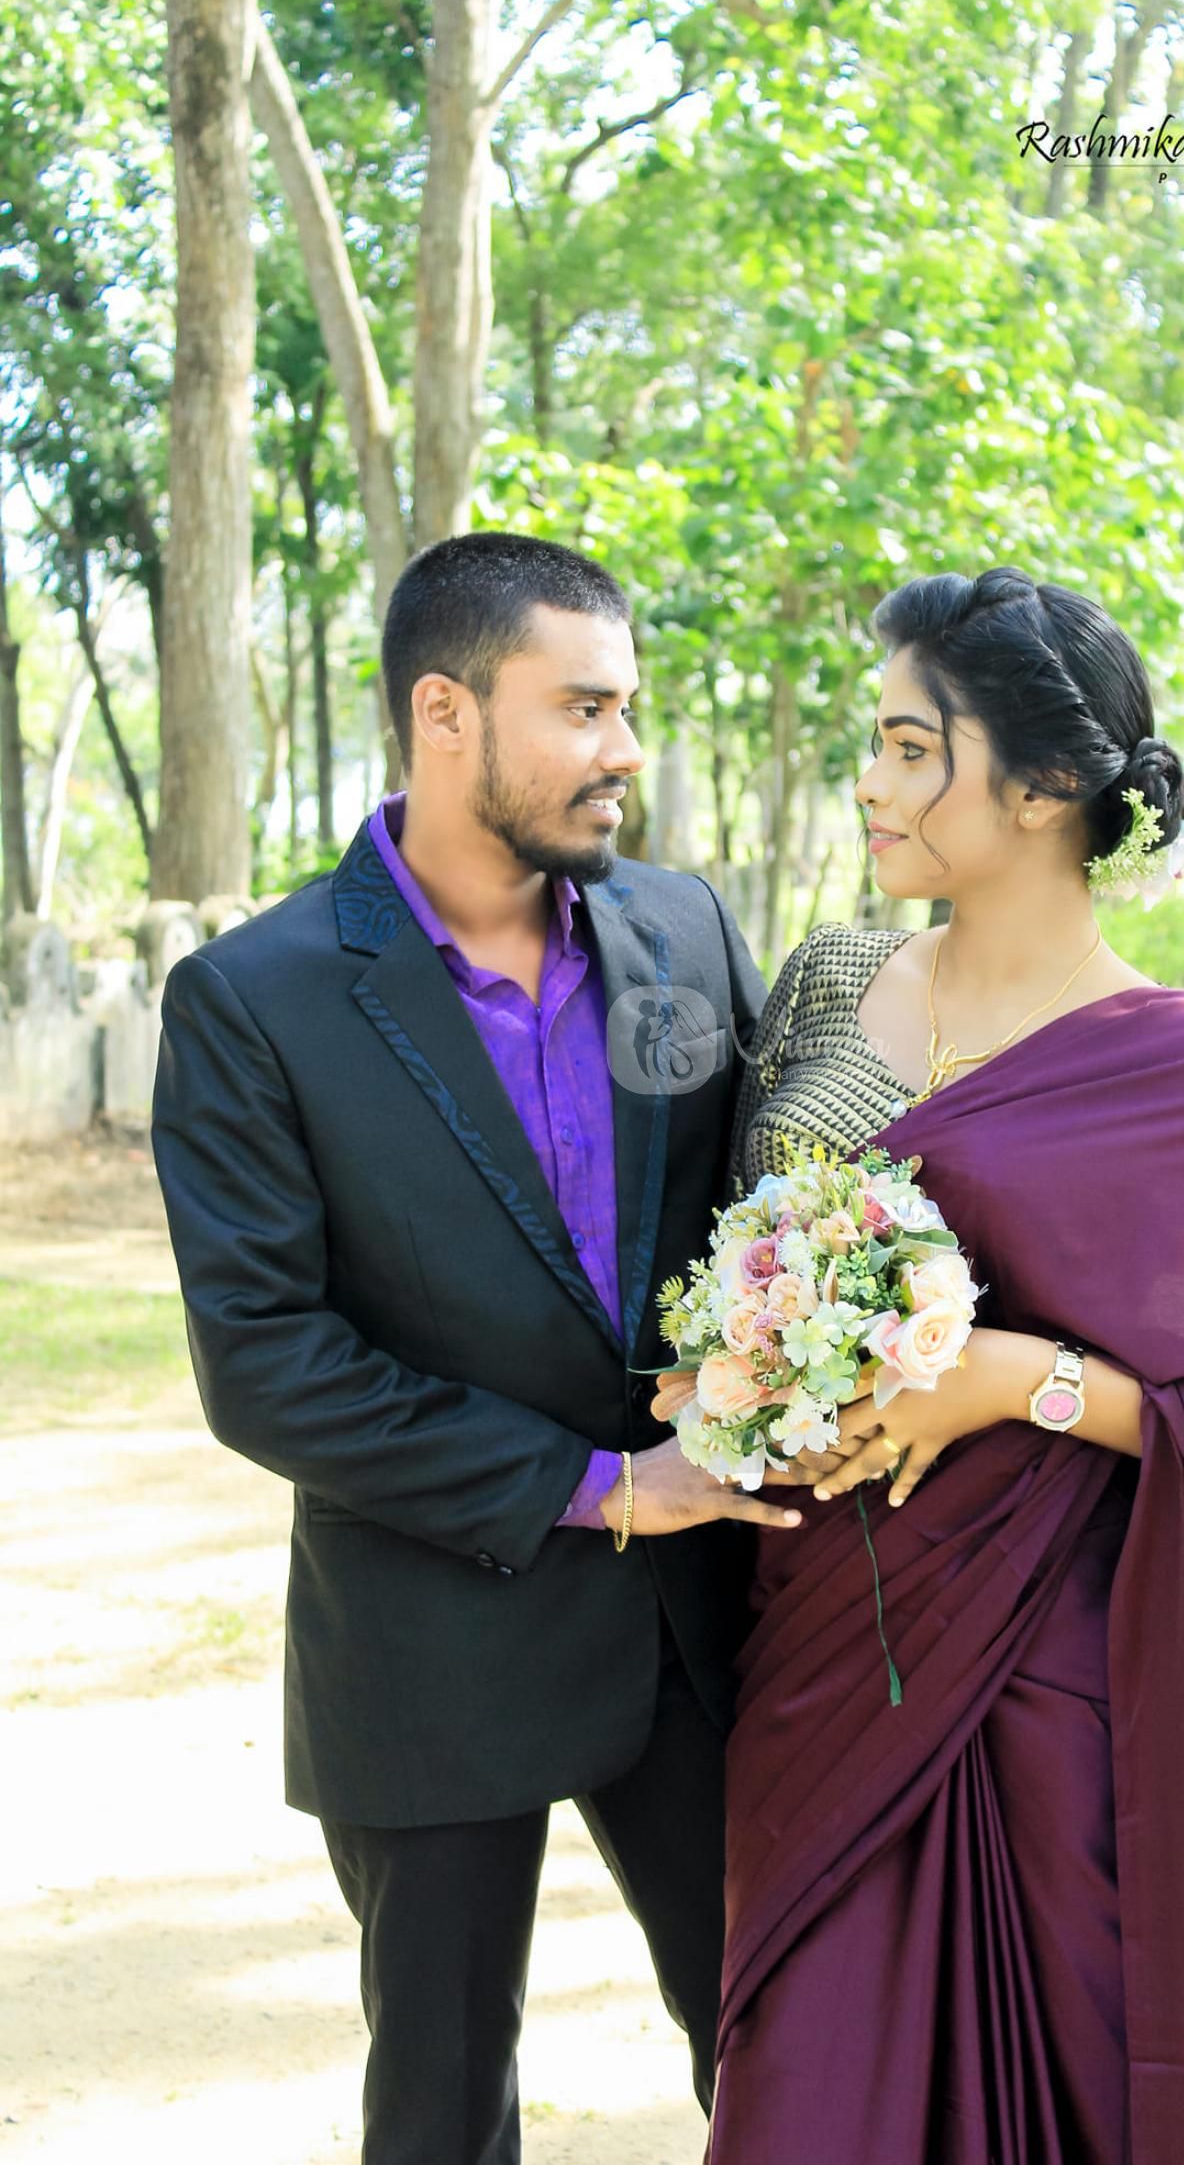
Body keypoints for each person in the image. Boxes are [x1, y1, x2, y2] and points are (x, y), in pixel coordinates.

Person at [670, 566, 1184, 2163]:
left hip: (1054, 1703)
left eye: (911, 749)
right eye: (874, 745)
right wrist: (729, 1380)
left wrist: (1011, 1377)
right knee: (814, 2095)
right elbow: (722, 1263)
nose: (870, 782)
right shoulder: (831, 988)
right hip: (819, 1667)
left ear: (1042, 787)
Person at [151, 532, 803, 2165]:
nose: (624, 747)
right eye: (583, 708)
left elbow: (766, 1213)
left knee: (795, 2059)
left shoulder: (681, 927)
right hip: (427, 1634)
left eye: (627, 706)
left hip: (698, 1634)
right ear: (445, 713)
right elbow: (266, 1360)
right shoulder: (254, 998)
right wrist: (606, 1484)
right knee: (440, 2112)